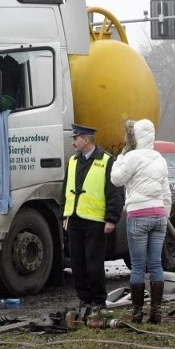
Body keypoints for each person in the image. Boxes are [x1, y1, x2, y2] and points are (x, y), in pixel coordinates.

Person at [111, 119, 171, 324]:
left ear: (135, 135)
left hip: (138, 215)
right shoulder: (160, 159)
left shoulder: (132, 157)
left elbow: (116, 179)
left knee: (138, 266)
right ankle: (156, 312)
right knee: (156, 264)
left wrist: (119, 158)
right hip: (159, 215)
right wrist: (165, 215)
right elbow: (166, 193)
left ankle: (137, 313)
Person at [62, 123, 124, 310]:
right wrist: (64, 215)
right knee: (77, 263)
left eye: (76, 138)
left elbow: (115, 192)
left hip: (95, 222)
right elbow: (66, 189)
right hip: (75, 219)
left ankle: (98, 300)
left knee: (94, 263)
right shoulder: (73, 161)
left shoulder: (106, 161)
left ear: (86, 139)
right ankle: (84, 299)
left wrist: (111, 218)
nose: (73, 142)